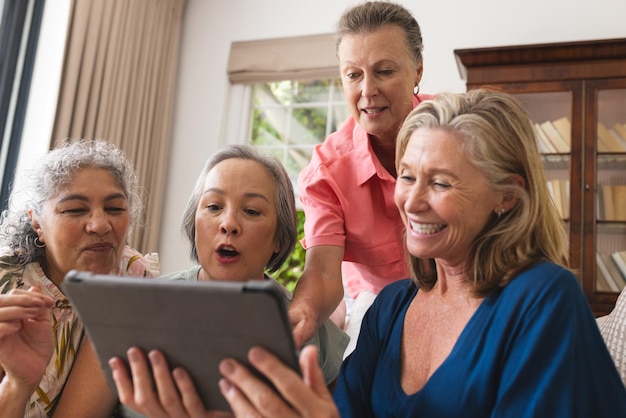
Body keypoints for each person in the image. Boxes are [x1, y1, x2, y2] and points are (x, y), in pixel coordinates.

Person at [147, 90, 626, 417]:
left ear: (507, 195)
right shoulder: (391, 308)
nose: (411, 201)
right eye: (409, 177)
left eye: (440, 182)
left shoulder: (542, 299)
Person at [108, 144, 348, 416]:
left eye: (252, 211)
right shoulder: (138, 308)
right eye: (213, 206)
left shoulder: (310, 331)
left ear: (279, 239)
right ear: (194, 221)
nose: (228, 223)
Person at [290, 0, 434, 351]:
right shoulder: (326, 171)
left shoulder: (457, 130)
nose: (367, 90)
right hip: (378, 317)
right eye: (353, 74)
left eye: (384, 71)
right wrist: (301, 314)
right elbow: (323, 273)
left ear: (417, 70)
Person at [0, 139, 159, 417]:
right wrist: (17, 384)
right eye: (74, 210)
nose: (100, 225)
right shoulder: (6, 286)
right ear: (37, 222)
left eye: (115, 209)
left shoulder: (132, 276)